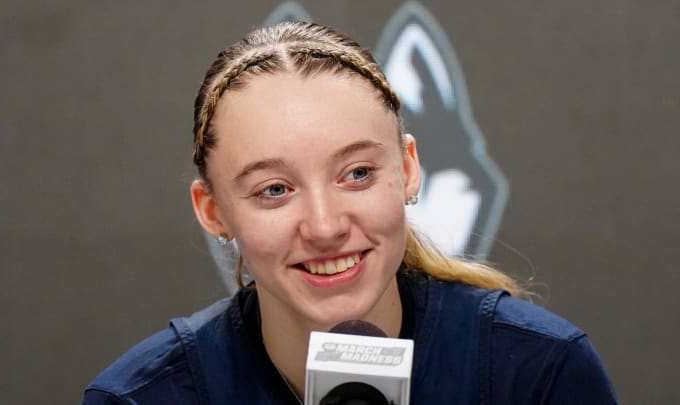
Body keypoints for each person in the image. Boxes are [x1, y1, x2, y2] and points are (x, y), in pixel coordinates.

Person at [83, 21, 617, 404]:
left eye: (357, 174)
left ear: (407, 169)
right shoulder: (142, 396)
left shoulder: (540, 373)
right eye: (274, 189)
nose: (325, 226)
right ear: (213, 211)